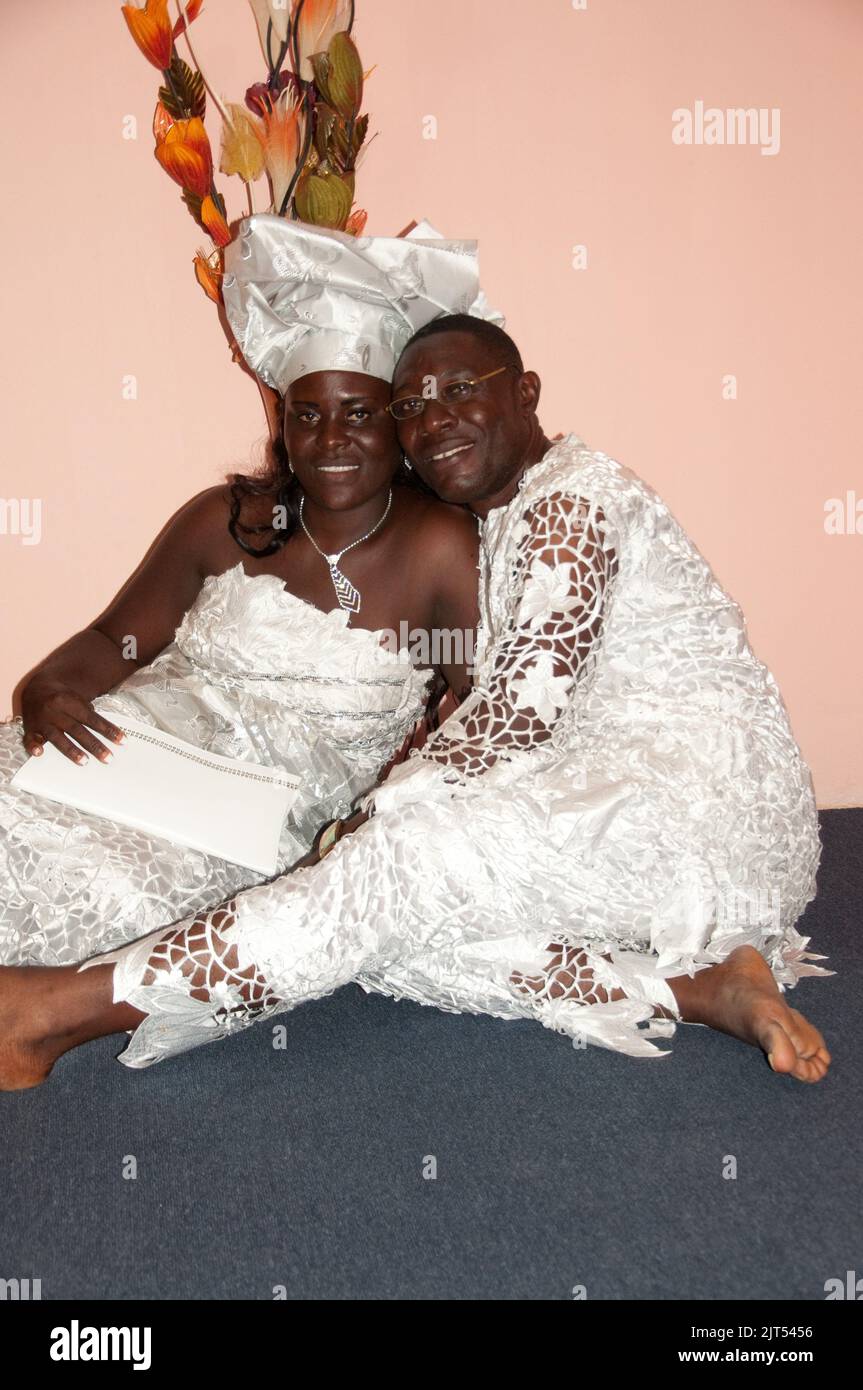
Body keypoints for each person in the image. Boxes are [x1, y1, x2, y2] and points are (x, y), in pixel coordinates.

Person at [0, 312, 832, 1090]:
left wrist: (373, 818)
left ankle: (53, 1014)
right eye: (415, 404)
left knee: (384, 876)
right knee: (387, 939)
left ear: (526, 392)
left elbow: (513, 712)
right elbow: (499, 708)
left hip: (688, 807)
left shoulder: (571, 505)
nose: (435, 419)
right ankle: (697, 986)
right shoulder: (507, 511)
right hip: (603, 791)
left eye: (461, 391)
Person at [0, 216, 491, 969]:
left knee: (90, 883)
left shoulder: (438, 546)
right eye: (308, 415)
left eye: (358, 413)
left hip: (247, 826)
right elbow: (114, 641)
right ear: (282, 426)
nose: (331, 440)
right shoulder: (225, 520)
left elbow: (491, 719)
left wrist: (389, 818)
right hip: (128, 750)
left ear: (396, 425)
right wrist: (48, 689)